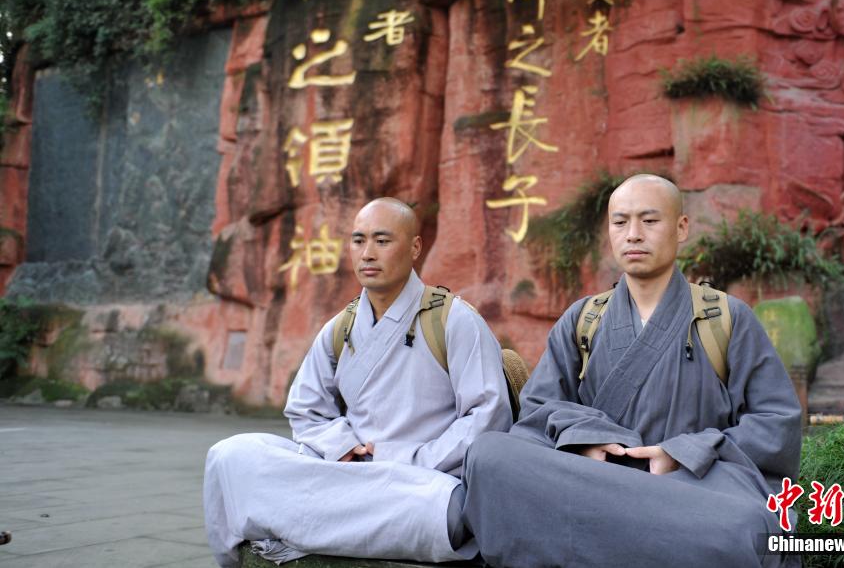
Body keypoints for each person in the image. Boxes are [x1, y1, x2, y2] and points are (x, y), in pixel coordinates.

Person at [461, 174, 803, 568]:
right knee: (489, 453)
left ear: (681, 228)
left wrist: (681, 452)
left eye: (650, 221)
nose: (633, 234)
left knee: (741, 524)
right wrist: (585, 441)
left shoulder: (726, 318)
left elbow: (777, 423)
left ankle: (595, 539)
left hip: (685, 487)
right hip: (594, 479)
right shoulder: (584, 319)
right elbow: (539, 411)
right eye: (620, 222)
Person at [204, 198, 512, 566]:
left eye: (382, 241)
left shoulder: (454, 320)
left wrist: (407, 459)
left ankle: (307, 524)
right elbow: (305, 409)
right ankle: (330, 520)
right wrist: (341, 446)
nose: (367, 253)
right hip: (349, 473)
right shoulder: (340, 328)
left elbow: (488, 417)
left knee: (441, 509)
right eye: (358, 240)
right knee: (229, 456)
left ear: (415, 247)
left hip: (418, 483)